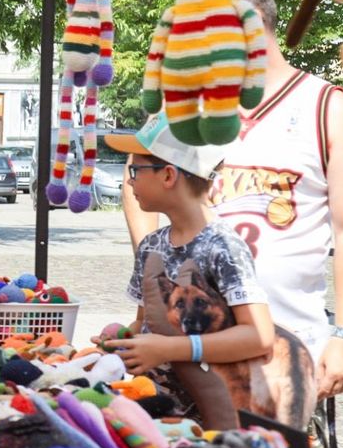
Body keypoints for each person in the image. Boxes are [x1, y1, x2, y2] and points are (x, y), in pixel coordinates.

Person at [122, 0, 343, 401]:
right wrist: (155, 264)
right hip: (188, 354)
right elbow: (136, 177)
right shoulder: (188, 107)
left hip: (287, 354)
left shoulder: (328, 108)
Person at [102, 116, 274, 423]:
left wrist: (171, 348)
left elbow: (258, 336)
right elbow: (145, 324)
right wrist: (122, 345)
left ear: (168, 175)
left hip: (215, 424)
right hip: (157, 415)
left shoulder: (223, 247)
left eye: (135, 170)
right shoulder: (151, 246)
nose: (129, 181)